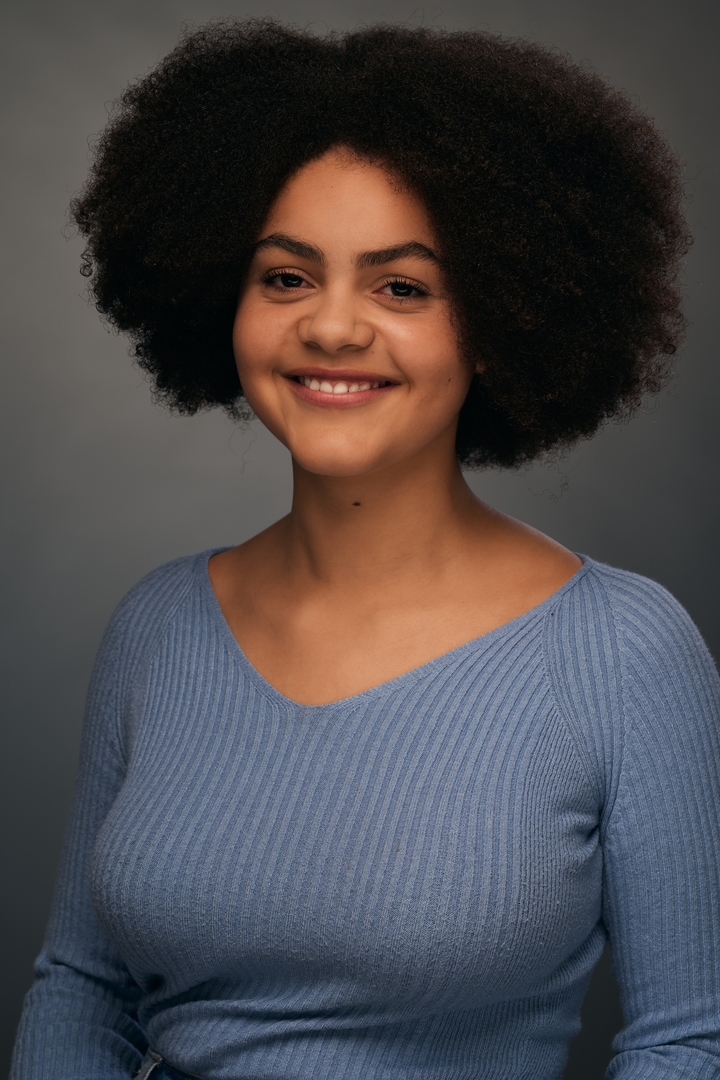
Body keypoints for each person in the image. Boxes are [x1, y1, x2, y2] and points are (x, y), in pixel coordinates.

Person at [10, 19, 720, 1080]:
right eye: (286, 278)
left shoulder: (623, 651)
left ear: (498, 324)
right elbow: (82, 987)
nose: (332, 328)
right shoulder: (157, 624)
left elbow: (688, 1041)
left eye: (402, 287)